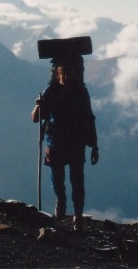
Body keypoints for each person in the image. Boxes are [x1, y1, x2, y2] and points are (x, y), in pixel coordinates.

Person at [32, 55, 99, 233]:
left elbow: (89, 118)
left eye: (68, 74)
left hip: (69, 141)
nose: (65, 78)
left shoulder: (77, 93)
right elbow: (36, 117)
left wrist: (94, 144)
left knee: (76, 180)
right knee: (62, 179)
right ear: (56, 74)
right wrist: (39, 106)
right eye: (62, 74)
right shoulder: (52, 92)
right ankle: (63, 202)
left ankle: (76, 214)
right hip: (60, 141)